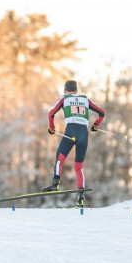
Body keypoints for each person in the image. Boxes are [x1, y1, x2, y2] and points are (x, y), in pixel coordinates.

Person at [43, 80, 106, 208]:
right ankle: (81, 197)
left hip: (71, 132)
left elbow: (51, 114)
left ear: (66, 89)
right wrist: (96, 125)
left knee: (59, 159)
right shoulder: (85, 100)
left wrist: (51, 128)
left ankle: (56, 183)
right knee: (78, 167)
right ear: (76, 90)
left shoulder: (64, 98)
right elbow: (102, 113)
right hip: (84, 135)